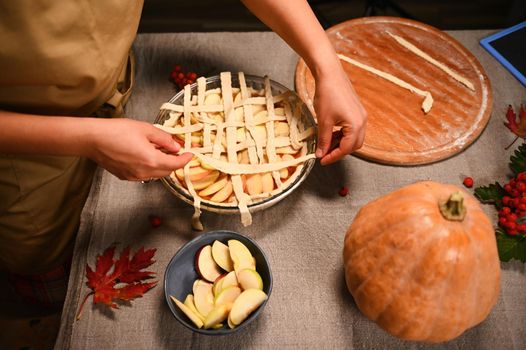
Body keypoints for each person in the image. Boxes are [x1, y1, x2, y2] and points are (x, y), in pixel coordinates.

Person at [0, 0, 367, 307]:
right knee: (53, 278)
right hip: (28, 158)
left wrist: (326, 63)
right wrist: (89, 138)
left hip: (114, 87)